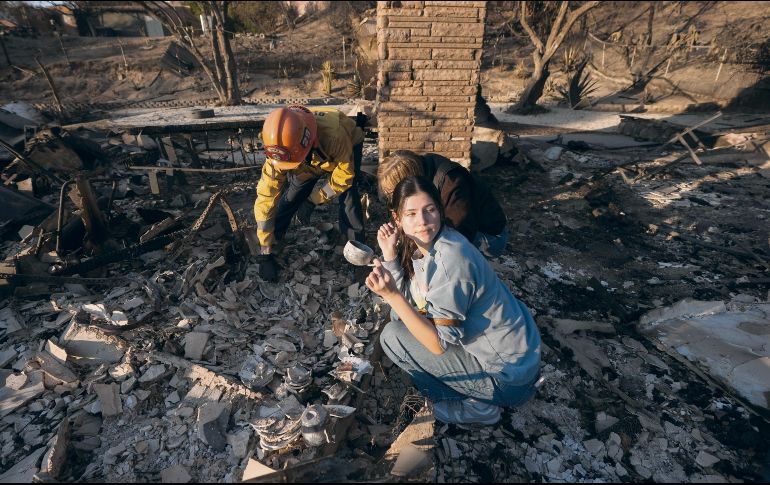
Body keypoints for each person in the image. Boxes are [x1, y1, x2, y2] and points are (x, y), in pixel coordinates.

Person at [365, 176, 541, 425]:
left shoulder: (450, 261)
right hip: (516, 358)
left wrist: (392, 295)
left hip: (507, 378)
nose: (423, 222)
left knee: (392, 337)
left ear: (439, 210)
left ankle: (477, 407)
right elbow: (413, 305)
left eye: (430, 210)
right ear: (397, 219)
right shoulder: (431, 244)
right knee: (398, 318)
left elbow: (438, 345)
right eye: (412, 214)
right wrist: (390, 255)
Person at [254, 105, 365, 282]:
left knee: (349, 197)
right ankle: (274, 243)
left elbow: (343, 177)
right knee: (291, 197)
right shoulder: (278, 147)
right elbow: (266, 197)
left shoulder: (334, 136)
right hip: (305, 158)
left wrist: (314, 200)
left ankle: (357, 255)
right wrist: (264, 250)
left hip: (345, 148)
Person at [377, 150, 508, 258]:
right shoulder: (422, 170)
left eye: (394, 192)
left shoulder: (451, 182)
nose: (394, 198)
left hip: (489, 236)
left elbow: (458, 234)